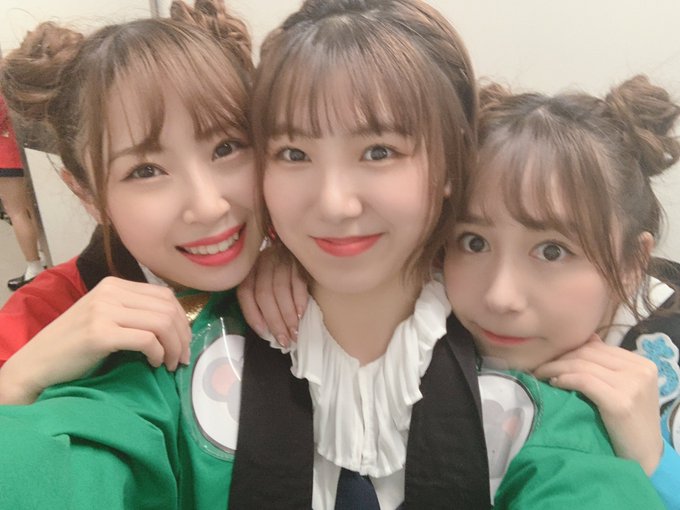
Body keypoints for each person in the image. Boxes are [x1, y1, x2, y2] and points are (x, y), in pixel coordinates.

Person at [234, 1, 665, 508]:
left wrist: (656, 464)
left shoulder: (583, 400)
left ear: (449, 166)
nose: (501, 297)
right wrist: (268, 254)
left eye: (379, 151)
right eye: (293, 153)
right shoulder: (218, 340)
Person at [0, 1, 264, 508]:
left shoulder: (309, 253)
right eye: (146, 171)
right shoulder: (41, 316)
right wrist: (17, 383)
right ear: (87, 193)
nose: (209, 206)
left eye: (227, 147)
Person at [442, 76, 680, 508]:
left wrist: (656, 461)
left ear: (631, 264)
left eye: (552, 251)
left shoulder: (669, 347)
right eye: (474, 242)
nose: (500, 296)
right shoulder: (425, 318)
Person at [0, 93, 44, 291]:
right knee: (32, 209)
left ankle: (34, 268)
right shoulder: (12, 85)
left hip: (6, 157)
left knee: (16, 213)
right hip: (25, 151)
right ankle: (43, 254)